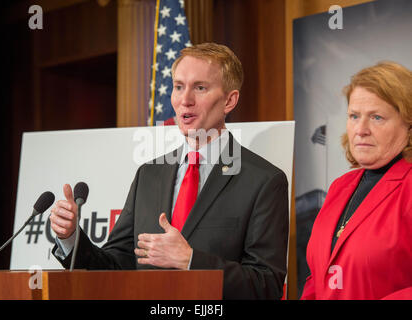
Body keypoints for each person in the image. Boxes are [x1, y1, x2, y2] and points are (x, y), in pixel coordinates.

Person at [50, 43, 289, 300]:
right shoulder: (149, 175)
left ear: (229, 100)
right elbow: (115, 266)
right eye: (178, 87)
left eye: (200, 88)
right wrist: (71, 238)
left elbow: (266, 285)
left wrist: (191, 261)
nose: (185, 100)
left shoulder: (264, 181)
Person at [302, 61, 412, 300]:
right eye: (354, 116)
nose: (360, 129)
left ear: (408, 124)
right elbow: (319, 275)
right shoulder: (340, 186)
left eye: (377, 117)